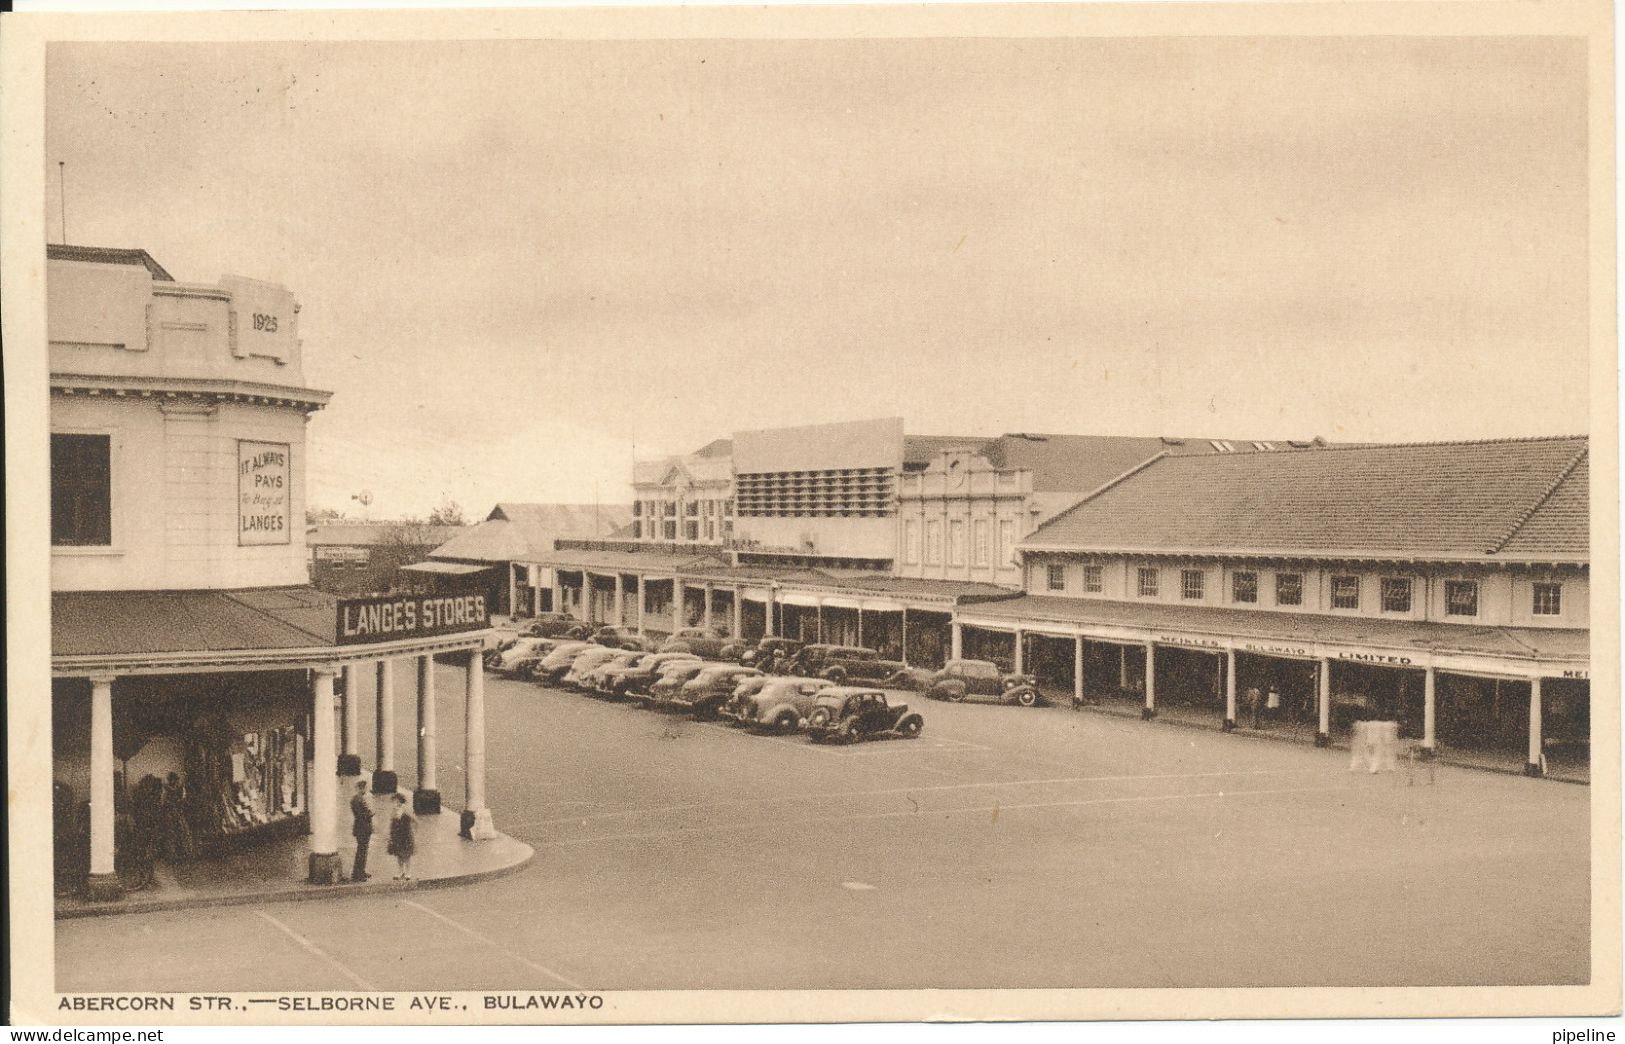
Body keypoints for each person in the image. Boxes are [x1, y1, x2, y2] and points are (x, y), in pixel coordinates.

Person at [387, 793, 416, 881]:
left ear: (399, 801)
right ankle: (400, 871)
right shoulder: (394, 810)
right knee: (399, 855)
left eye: (396, 801)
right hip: (397, 835)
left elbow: (412, 821)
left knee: (407, 855)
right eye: (394, 802)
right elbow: (392, 823)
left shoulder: (406, 809)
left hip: (406, 835)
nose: (394, 803)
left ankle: (408, 872)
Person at [349, 781, 374, 883]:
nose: (365, 790)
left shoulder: (355, 799)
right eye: (364, 788)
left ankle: (361, 871)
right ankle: (358, 874)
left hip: (360, 828)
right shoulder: (359, 800)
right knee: (362, 851)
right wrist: (371, 813)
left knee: (362, 850)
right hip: (363, 828)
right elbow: (362, 815)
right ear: (361, 788)